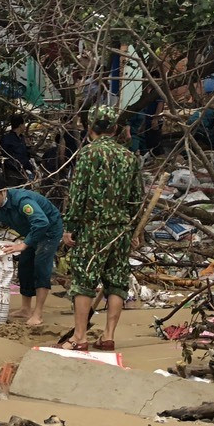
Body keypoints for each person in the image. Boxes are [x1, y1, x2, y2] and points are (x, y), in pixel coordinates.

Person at [60, 106, 144, 352]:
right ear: (115, 128)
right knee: (116, 281)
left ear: (89, 129)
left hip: (92, 229)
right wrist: (135, 232)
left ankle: (79, 337)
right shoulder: (129, 157)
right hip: (120, 230)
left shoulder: (88, 154)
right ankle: (108, 336)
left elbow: (78, 195)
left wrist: (70, 228)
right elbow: (136, 199)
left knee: (83, 281)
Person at [0, 174, 63, 326]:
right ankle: (25, 308)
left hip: (49, 231)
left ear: (4, 191)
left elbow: (42, 222)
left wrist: (24, 244)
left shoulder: (22, 201)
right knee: (24, 266)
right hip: (31, 232)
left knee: (41, 266)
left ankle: (38, 313)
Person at [0, 115, 35, 182]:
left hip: (24, 171)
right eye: (24, 124)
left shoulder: (22, 138)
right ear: (20, 125)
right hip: (13, 173)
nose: (25, 126)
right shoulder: (7, 139)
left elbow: (25, 154)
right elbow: (5, 156)